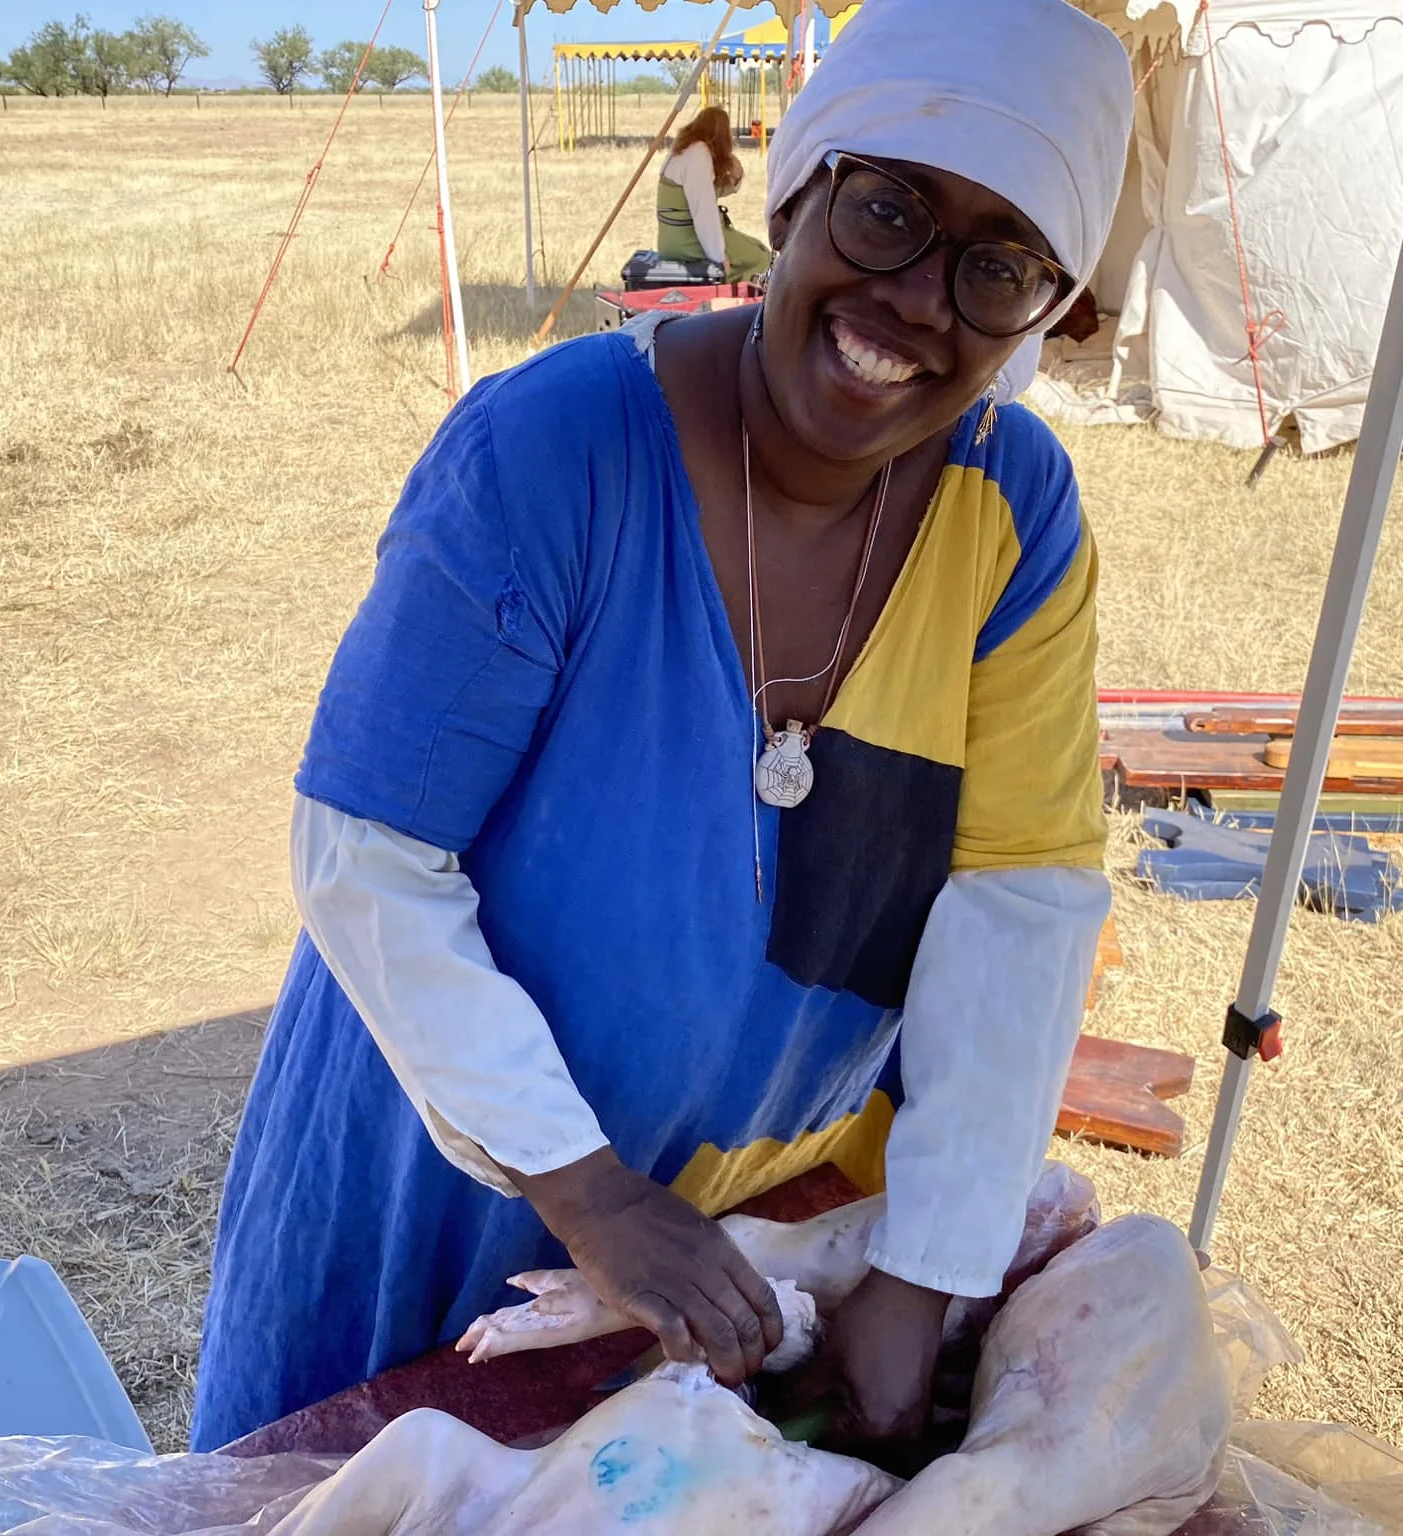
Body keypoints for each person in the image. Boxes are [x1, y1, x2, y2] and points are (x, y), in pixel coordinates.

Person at [191, 0, 1134, 1458]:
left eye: (998, 266)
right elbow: (365, 855)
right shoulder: (553, 450)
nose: (919, 300)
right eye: (886, 209)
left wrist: (923, 1268)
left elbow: (1022, 897)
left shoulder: (1015, 518)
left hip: (746, 1212)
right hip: (431, 1175)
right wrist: (585, 1189)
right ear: (798, 190)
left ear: (1045, 311)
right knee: (348, 1477)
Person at [656, 105, 771, 282]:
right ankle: (733, 297)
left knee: (758, 249)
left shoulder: (685, 149)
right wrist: (718, 256)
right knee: (762, 260)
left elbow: (704, 193)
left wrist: (735, 177)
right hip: (687, 240)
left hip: (671, 239)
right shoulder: (698, 153)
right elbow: (704, 211)